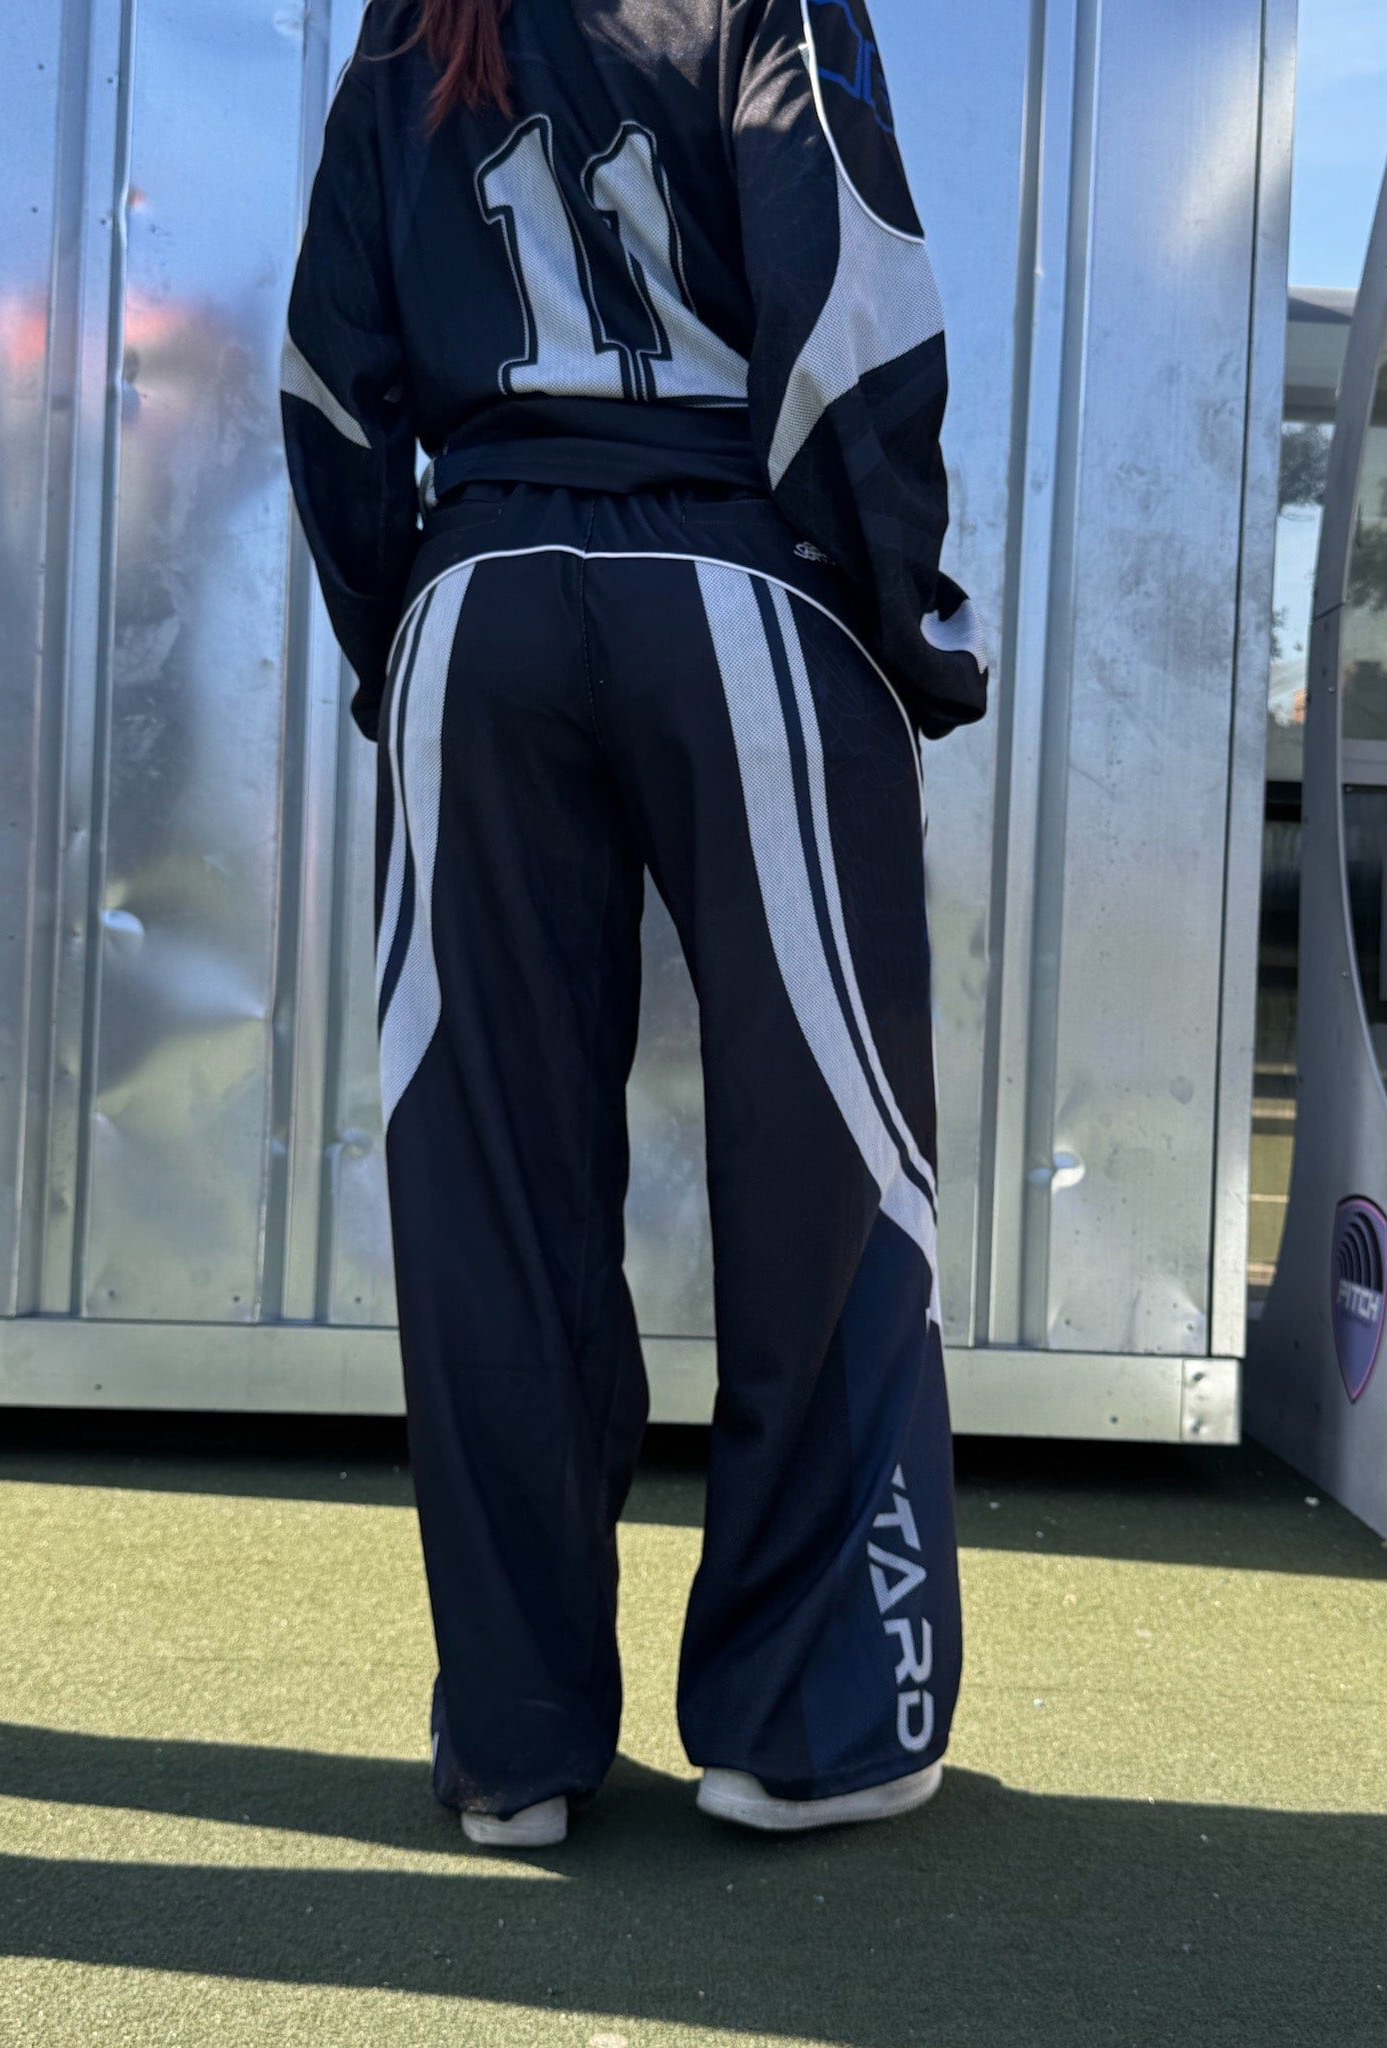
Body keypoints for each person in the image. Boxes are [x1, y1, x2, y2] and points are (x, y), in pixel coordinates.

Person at [282, 0, 987, 1849]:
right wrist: (907, 623)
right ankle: (808, 1731)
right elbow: (848, 299)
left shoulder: (412, 23)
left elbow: (331, 370)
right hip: (741, 584)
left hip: (476, 608)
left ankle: (514, 1746)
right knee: (827, 1171)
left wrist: (400, 633)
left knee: (485, 1186)